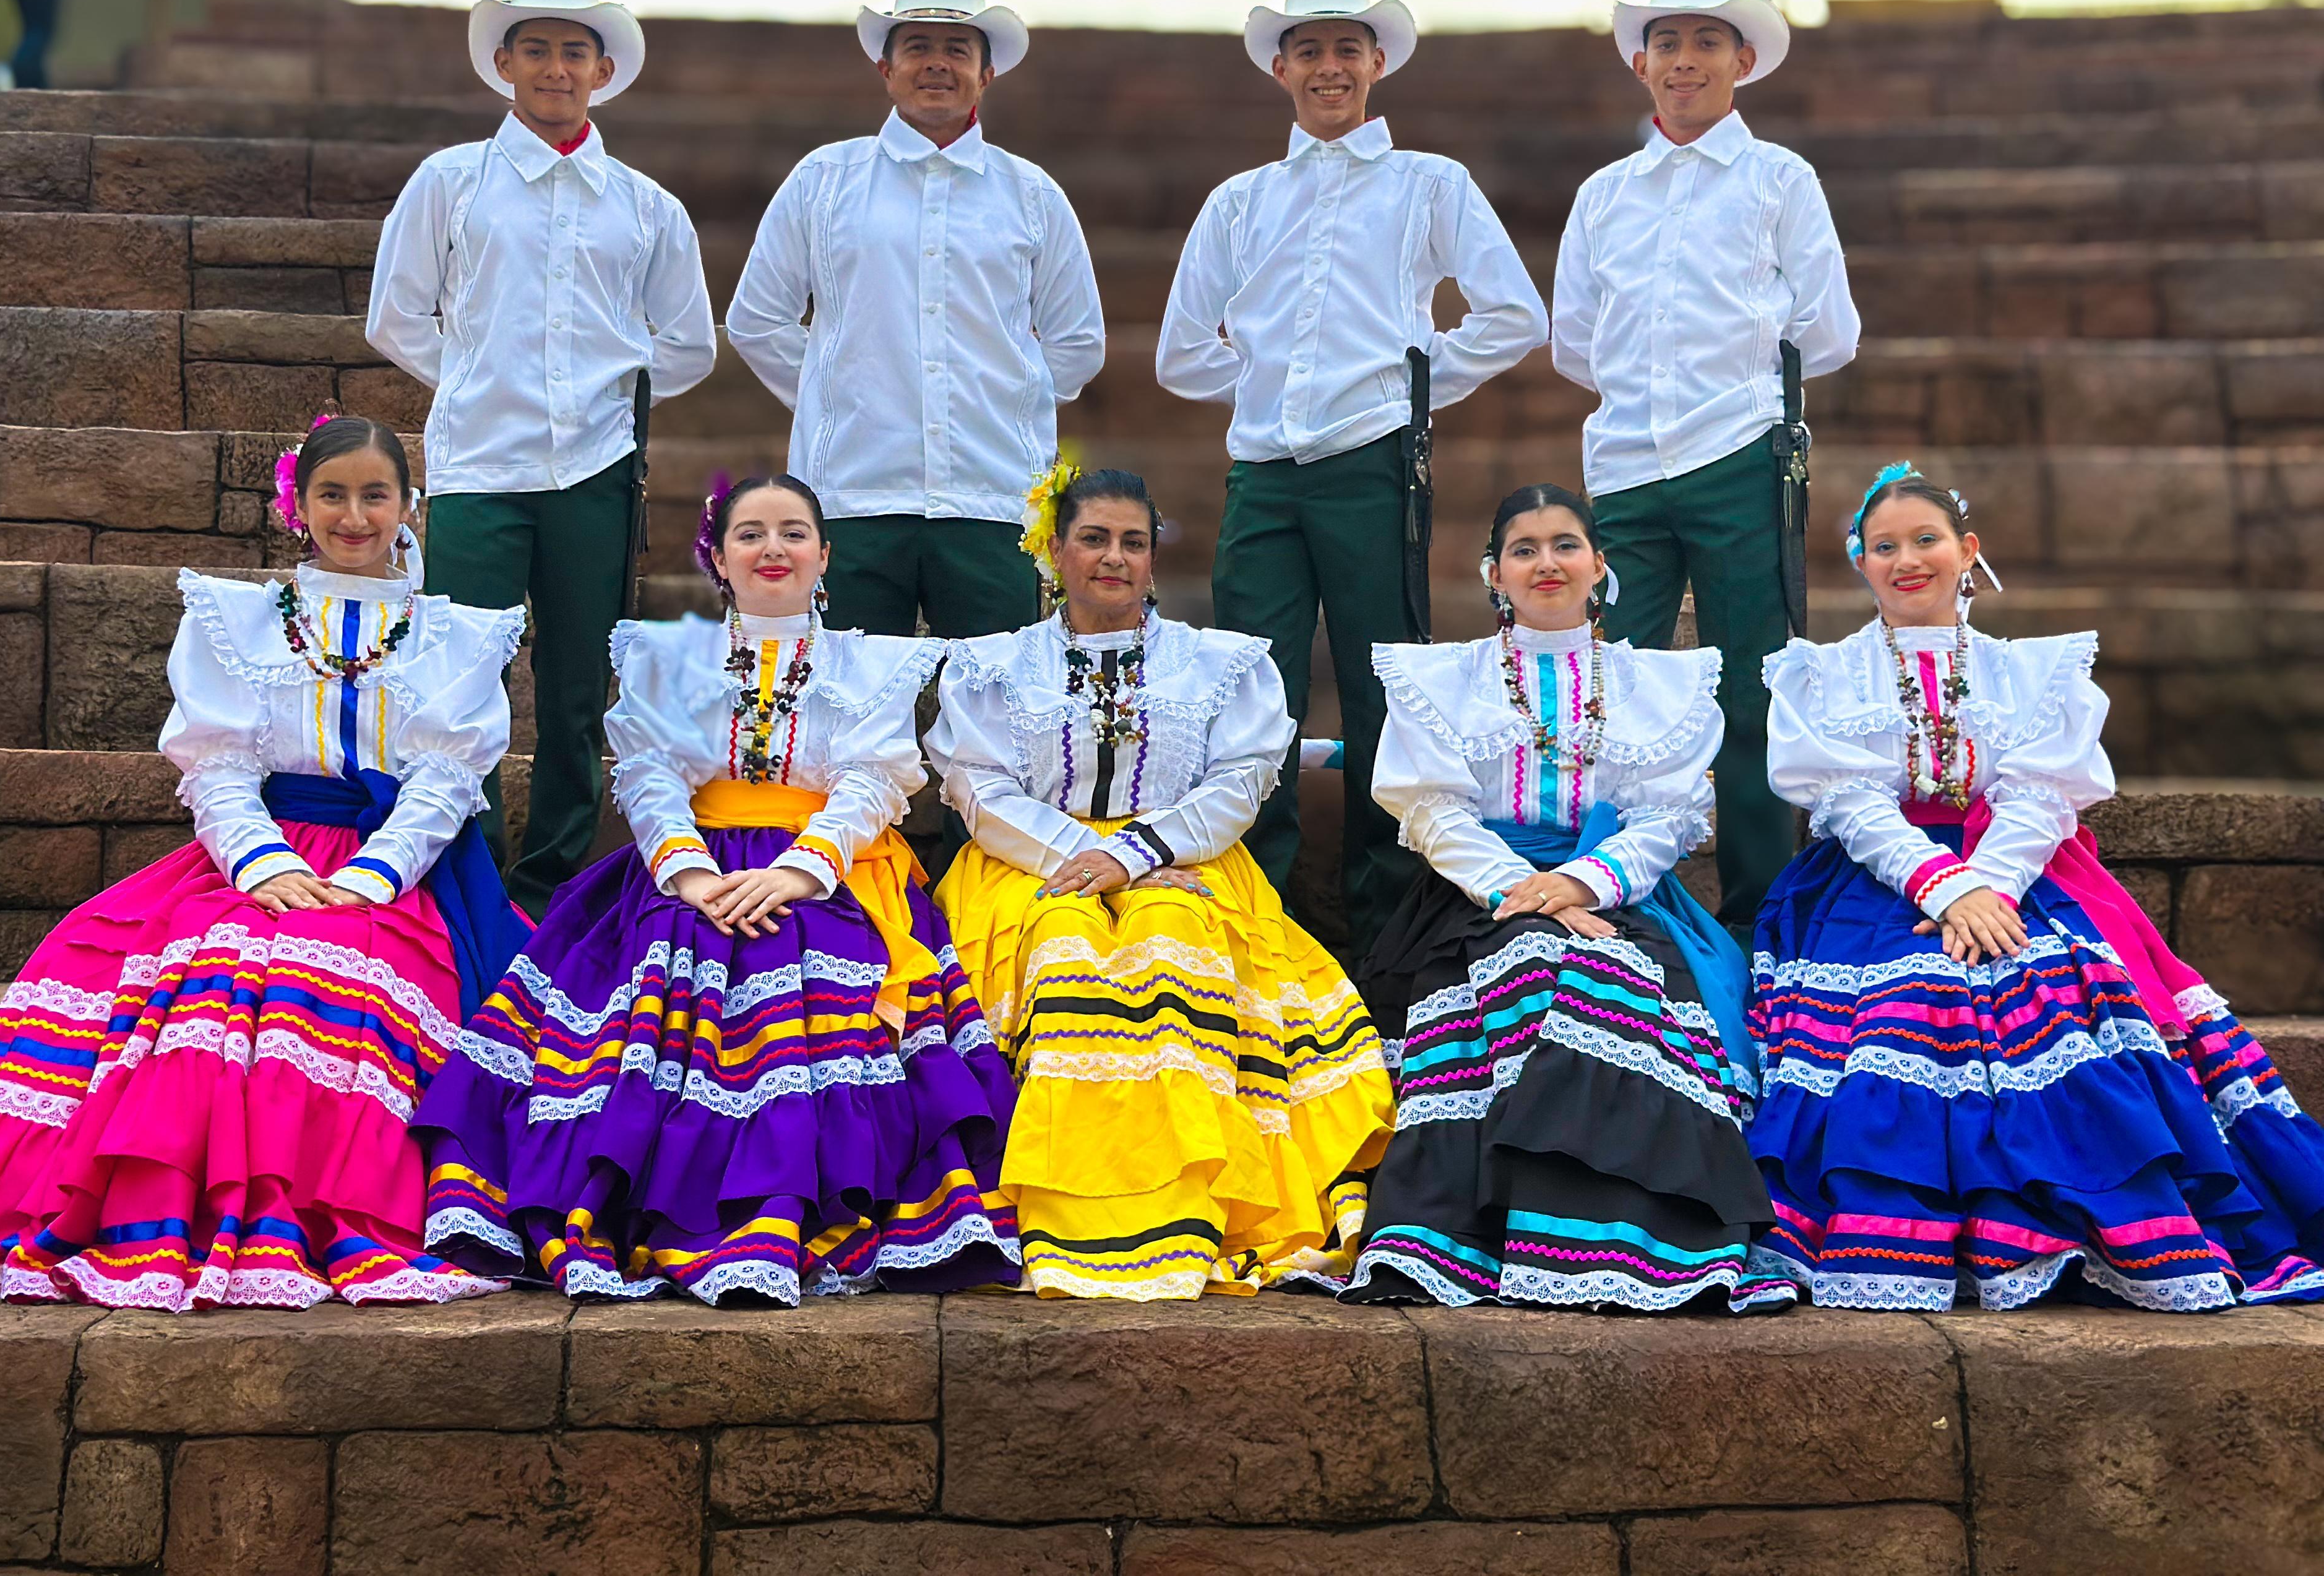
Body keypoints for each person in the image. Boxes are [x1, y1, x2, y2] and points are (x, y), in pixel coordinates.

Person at [0, 416, 528, 1307]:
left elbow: (444, 785)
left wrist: (366, 882)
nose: (354, 515)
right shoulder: (237, 618)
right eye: (333, 494)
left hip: (400, 872)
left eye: (375, 495)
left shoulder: (459, 637)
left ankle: (294, 1209)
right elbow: (219, 769)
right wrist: (262, 867)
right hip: (260, 855)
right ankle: (154, 1211)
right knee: (213, 969)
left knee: (313, 979)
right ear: (298, 505)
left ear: (410, 506)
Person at [411, 475, 1022, 1304]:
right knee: (666, 976)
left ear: (825, 554)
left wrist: (797, 870)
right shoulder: (671, 658)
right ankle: (647, 1199)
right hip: (689, 864)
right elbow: (650, 769)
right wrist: (691, 873)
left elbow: (874, 782)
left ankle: (796, 1203)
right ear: (720, 557)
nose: (774, 549)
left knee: (822, 988)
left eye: (795, 532)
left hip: (828, 870)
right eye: (752, 534)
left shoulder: (869, 664)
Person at [1748, 465, 2324, 1309]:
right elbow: (1848, 803)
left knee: (2058, 993)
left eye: (1925, 541)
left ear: (1967, 551)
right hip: (1879, 875)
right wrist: (1944, 889)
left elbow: (2040, 797)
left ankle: (2087, 1217)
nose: (1906, 559)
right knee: (1907, 1001)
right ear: (1860, 564)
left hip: (2017, 871)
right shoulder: (1821, 676)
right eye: (1884, 547)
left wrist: (1988, 887)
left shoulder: (2033, 673)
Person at [927, 463, 1395, 1298]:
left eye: (1133, 543)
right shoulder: (995, 667)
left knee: (1175, 946)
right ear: (1054, 553)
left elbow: (1243, 779)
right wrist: (1079, 854)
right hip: (1030, 862)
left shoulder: (1218, 665)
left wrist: (1137, 854)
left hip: (1185, 859)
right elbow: (978, 787)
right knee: (1064, 952)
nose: (1115, 558)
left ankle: (1190, 1211)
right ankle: (1061, 1216)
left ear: (1153, 558)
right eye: (1094, 539)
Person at [1158, 0, 1548, 949]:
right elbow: (1179, 354)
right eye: (1310, 50)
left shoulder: (1429, 183)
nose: (1329, 68)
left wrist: (1405, 392)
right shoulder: (1240, 202)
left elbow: (1514, 315)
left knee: (1383, 688)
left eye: (1347, 49)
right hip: (1263, 478)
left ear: (1376, 63)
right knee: (1256, 688)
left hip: (1373, 467)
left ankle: (1382, 922)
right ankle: (1265, 914)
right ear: (1281, 68)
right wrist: (1266, 388)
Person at [1341, 483, 1791, 1312]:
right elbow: (1432, 814)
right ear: (1494, 574)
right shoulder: (1444, 679)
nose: (1546, 562)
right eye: (1524, 549)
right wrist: (1524, 888)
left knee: (1602, 976)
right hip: (1476, 893)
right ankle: (1483, 1230)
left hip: (1615, 887)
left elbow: (1667, 819)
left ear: (1600, 567)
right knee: (1526, 961)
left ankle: (1633, 1230)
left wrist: (1582, 882)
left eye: (1565, 545)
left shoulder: (1655, 683)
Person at [368, 0, 716, 918]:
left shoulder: (645, 206)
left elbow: (686, 345)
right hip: (481, 469)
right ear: (503, 64)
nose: (555, 68)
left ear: (602, 71)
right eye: (536, 49)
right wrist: (481, 379)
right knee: (462, 681)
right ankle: (468, 875)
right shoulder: (451, 181)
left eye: (573, 52)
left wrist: (599, 394)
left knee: (574, 691)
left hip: (594, 476)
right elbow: (396, 316)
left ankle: (551, 883)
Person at [1550, 0, 1861, 934]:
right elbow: (1573, 338)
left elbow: (1831, 328)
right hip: (1629, 470)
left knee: (1750, 689)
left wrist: (1741, 399)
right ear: (1642, 63)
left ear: (1743, 60)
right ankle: (1630, 908)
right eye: (1668, 44)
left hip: (1739, 456)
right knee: (1627, 691)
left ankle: (1763, 915)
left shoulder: (1779, 180)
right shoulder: (1605, 194)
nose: (1686, 62)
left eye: (1707, 43)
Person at [726, 0, 1103, 641]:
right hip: (852, 494)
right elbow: (758, 319)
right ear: (886, 68)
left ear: (987, 74)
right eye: (917, 46)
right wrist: (839, 392)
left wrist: (1004, 398)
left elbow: (1077, 343)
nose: (937, 63)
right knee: (853, 707)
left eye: (957, 49)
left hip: (992, 498)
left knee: (998, 705)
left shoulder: (1032, 194)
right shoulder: (824, 181)